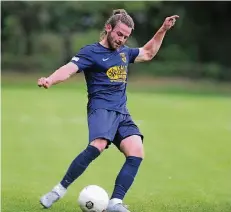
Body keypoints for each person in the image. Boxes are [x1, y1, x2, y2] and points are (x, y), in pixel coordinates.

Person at [38, 9, 179, 212]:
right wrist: (50, 79)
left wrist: (163, 29)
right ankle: (58, 190)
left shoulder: (124, 53)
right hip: (101, 108)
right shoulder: (90, 52)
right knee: (98, 145)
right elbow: (68, 69)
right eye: (119, 34)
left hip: (121, 111)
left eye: (125, 36)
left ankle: (115, 203)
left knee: (137, 151)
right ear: (108, 28)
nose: (121, 39)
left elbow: (148, 53)